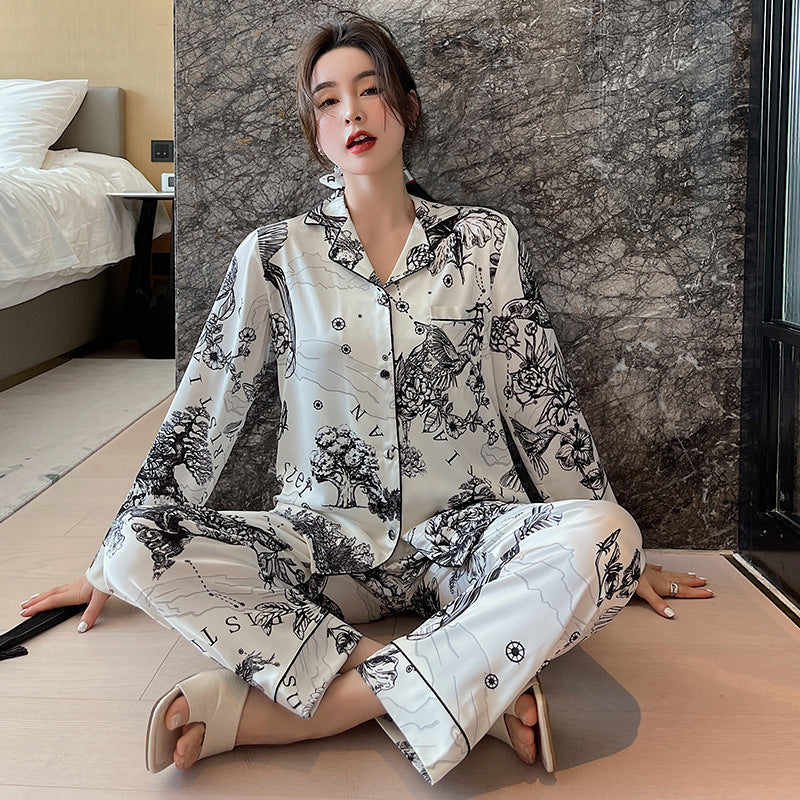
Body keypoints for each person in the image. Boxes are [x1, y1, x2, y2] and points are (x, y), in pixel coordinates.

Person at [21, 13, 713, 786]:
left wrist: (619, 552)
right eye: (327, 101)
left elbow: (538, 398)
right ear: (314, 130)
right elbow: (204, 408)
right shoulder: (274, 255)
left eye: (370, 89)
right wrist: (107, 568)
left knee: (608, 535)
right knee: (135, 544)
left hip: (469, 542)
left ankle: (294, 712)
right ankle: (446, 687)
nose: (351, 111)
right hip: (322, 545)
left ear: (406, 106)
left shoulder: (484, 242)